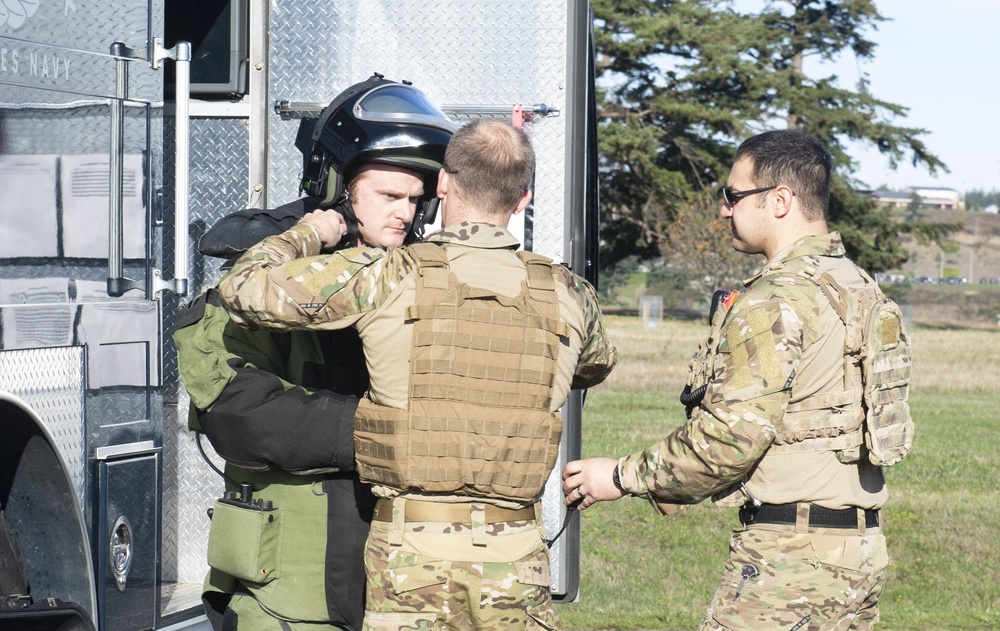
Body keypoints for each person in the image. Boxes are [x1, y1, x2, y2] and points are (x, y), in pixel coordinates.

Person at [217, 118, 617, 630]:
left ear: (443, 185)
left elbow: (245, 290)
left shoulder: (388, 272)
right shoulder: (571, 293)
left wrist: (310, 233)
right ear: (523, 200)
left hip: (410, 558)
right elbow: (594, 365)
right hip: (518, 555)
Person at [562, 129, 912, 630]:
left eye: (733, 196)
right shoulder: (859, 286)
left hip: (790, 558)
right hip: (858, 551)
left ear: (780, 200)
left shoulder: (776, 299)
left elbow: (728, 441)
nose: (725, 210)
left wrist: (618, 476)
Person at [174, 74, 453, 631]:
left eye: (415, 199)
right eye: (390, 195)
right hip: (292, 569)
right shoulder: (265, 275)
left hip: (405, 567)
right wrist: (384, 433)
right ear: (339, 187)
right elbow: (237, 412)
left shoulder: (425, 275)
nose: (405, 212)